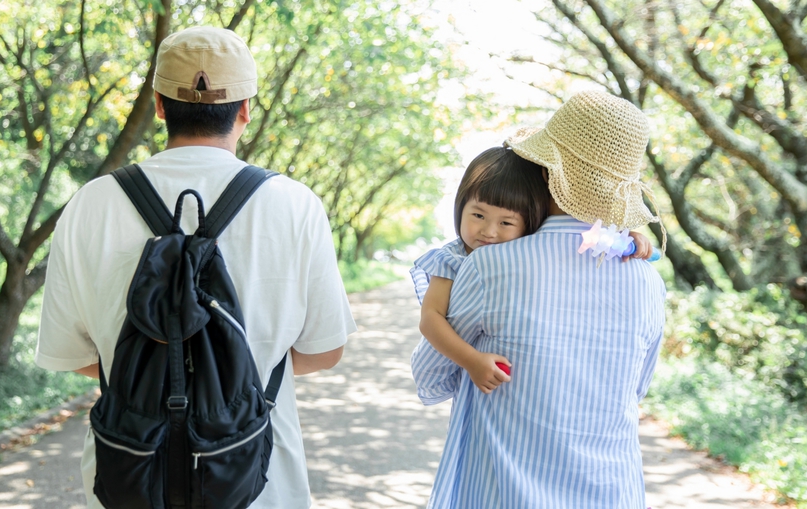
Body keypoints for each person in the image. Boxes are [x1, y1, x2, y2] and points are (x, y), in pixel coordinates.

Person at [35, 26, 357, 509]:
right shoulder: (294, 204)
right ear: (246, 108)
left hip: (130, 472)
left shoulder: (90, 203)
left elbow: (74, 354)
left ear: (160, 105)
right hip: (257, 477)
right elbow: (324, 351)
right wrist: (227, 372)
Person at [410, 90, 667, 508]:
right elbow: (636, 390)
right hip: (611, 492)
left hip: (504, 493)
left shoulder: (489, 266)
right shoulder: (648, 282)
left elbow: (430, 376)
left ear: (547, 172)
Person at [411, 146, 653, 396]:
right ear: (460, 207)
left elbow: (580, 233)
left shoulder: (524, 247)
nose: (489, 231)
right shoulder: (451, 258)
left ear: (528, 222)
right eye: (477, 215)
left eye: (506, 222)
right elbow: (430, 319)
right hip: (464, 364)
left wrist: (627, 237)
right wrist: (471, 360)